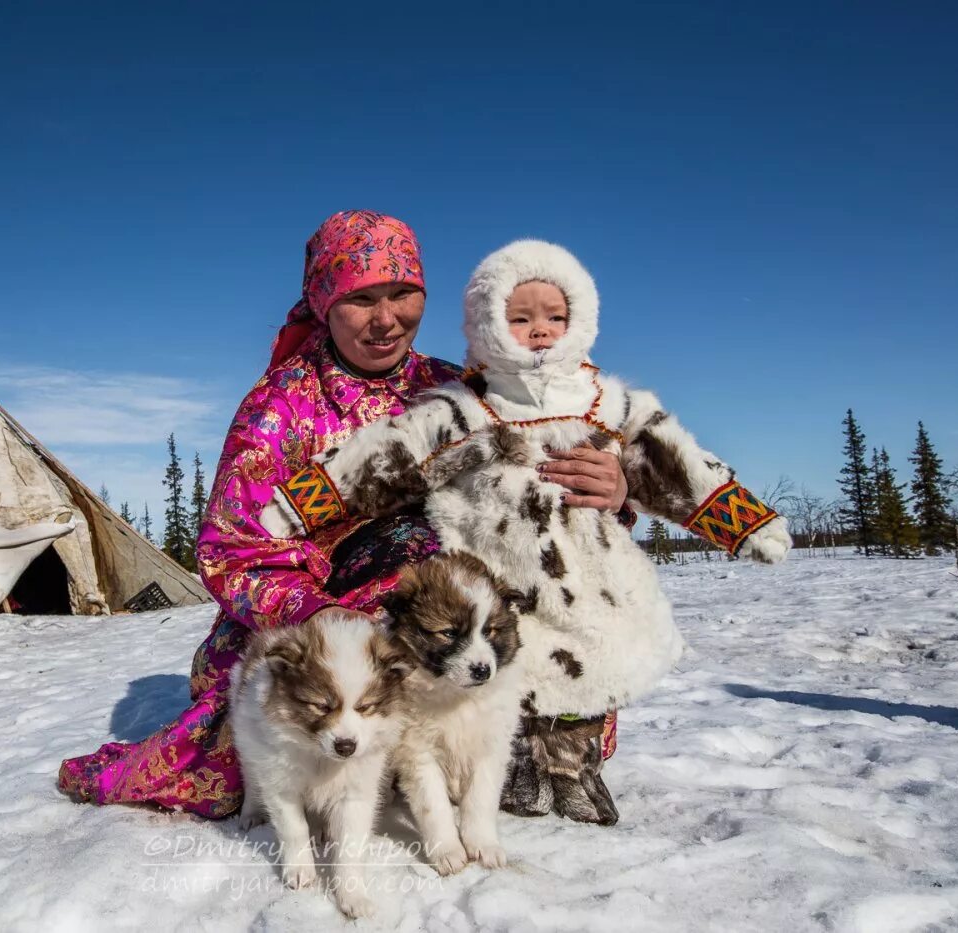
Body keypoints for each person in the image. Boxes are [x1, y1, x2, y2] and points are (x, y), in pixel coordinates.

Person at [56, 211, 628, 818]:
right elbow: (232, 552)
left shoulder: (459, 389)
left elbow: (537, 504)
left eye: (403, 294)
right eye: (361, 299)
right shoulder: (278, 411)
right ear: (325, 303)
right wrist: (325, 620)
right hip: (318, 614)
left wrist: (610, 491)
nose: (386, 319)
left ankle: (528, 753)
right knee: (252, 758)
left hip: (442, 617)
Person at [259, 238, 792, 823]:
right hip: (399, 606)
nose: (539, 332)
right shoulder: (449, 408)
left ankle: (568, 763)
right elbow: (386, 457)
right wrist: (299, 505)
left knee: (595, 650)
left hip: (584, 575)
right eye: (519, 318)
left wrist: (720, 517)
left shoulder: (600, 404)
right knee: (513, 651)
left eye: (556, 317)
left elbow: (675, 463)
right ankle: (505, 759)